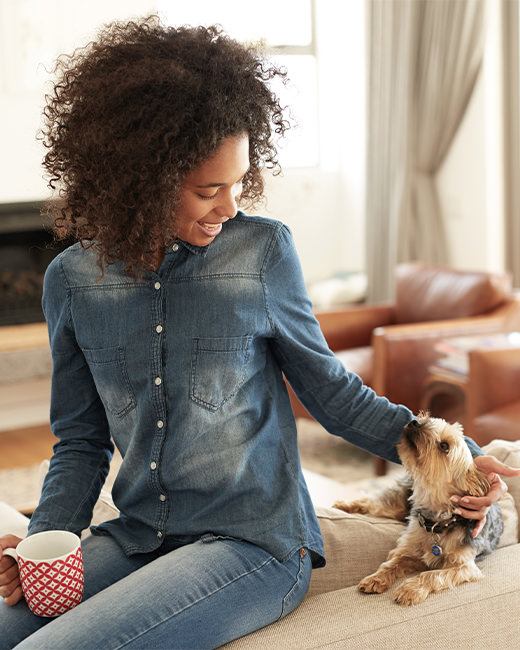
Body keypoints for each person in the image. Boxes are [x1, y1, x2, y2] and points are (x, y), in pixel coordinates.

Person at [0, 16, 518, 650]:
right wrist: (40, 544)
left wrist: (452, 460)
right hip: (139, 532)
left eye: (239, 182)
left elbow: (331, 392)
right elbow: (80, 440)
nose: (229, 206)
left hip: (253, 544)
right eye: (207, 189)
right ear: (136, 184)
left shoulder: (263, 252)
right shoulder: (70, 281)